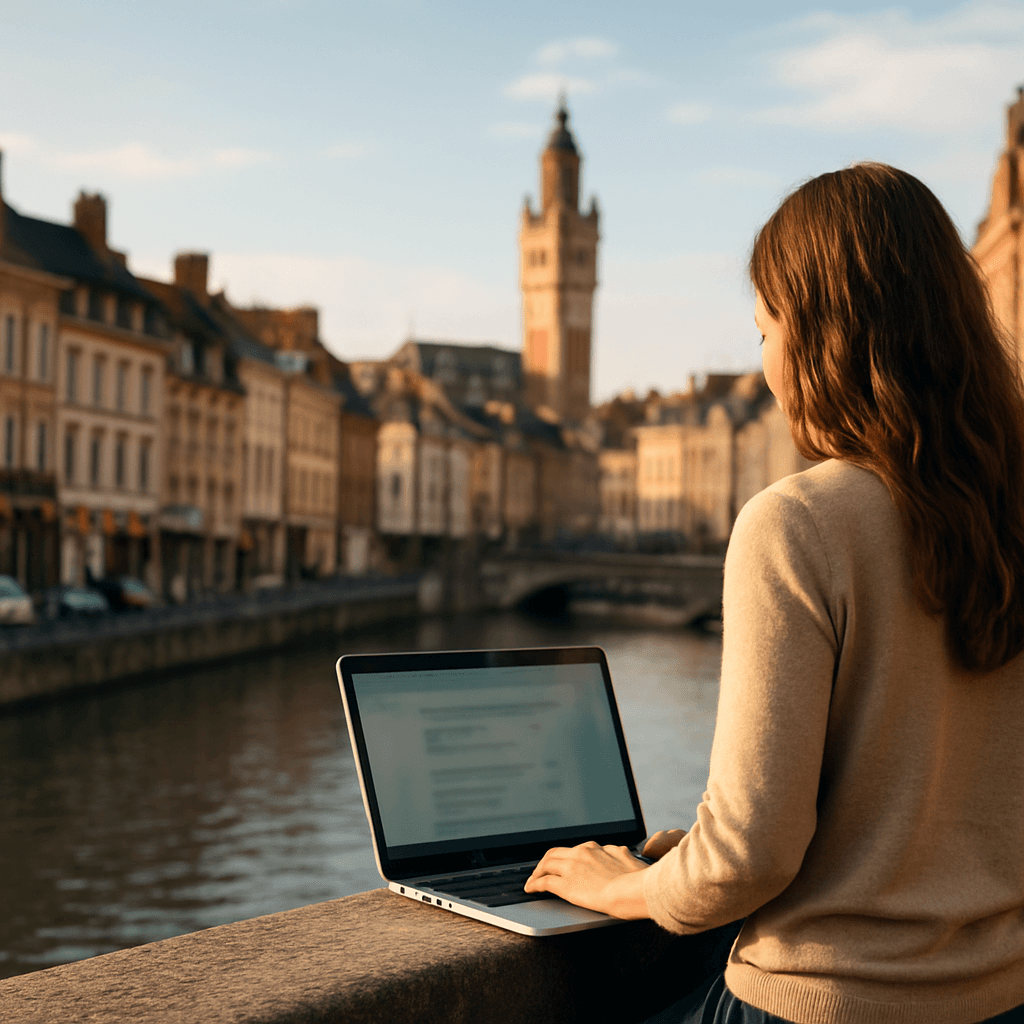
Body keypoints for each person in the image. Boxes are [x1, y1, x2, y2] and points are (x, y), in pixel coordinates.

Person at [524, 163, 1024, 1023]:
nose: (763, 366)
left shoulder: (797, 524)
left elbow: (748, 859)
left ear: (820, 338)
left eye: (764, 331)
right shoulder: (1008, 511)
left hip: (828, 1000)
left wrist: (626, 888)